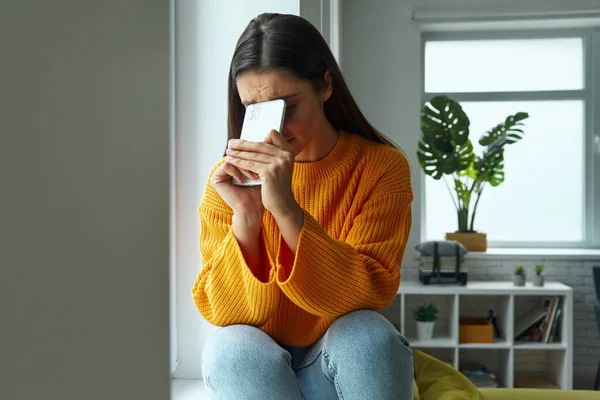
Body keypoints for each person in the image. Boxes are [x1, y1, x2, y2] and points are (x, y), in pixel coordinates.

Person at [192, 12, 414, 400]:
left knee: (369, 336)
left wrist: (287, 210)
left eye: (287, 106)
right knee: (230, 348)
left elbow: (368, 293)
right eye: (254, 109)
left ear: (325, 86)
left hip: (338, 366)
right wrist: (247, 217)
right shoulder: (228, 182)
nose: (274, 129)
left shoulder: (380, 168)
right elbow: (224, 313)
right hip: (260, 375)